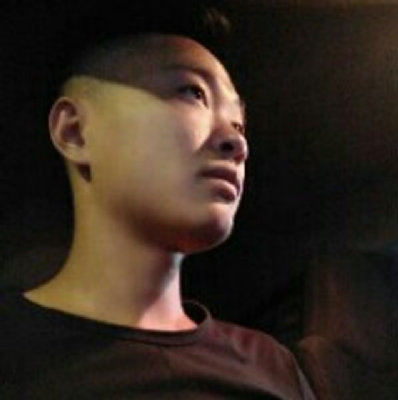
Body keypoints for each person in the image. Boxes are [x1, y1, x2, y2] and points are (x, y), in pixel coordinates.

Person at [0, 1, 316, 398]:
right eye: (193, 93)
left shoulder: (272, 365)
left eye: (239, 124)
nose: (237, 143)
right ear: (75, 131)